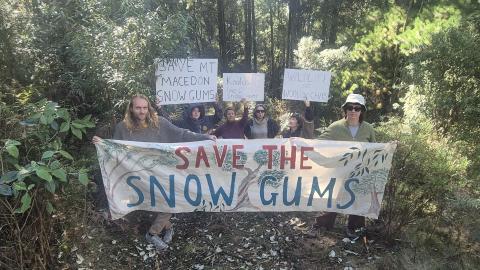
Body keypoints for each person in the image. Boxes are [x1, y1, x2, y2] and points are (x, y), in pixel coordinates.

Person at [93, 94, 215, 251]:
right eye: (138, 108)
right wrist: (101, 144)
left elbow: (182, 133)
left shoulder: (160, 123)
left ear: (148, 108)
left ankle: (152, 233)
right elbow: (115, 151)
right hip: (137, 176)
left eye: (145, 107)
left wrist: (204, 137)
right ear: (131, 108)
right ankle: (168, 226)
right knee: (154, 203)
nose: (142, 111)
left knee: (173, 199)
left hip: (162, 173)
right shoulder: (122, 128)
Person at [313, 93, 376, 238]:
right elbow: (318, 143)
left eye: (357, 108)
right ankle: (323, 224)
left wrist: (388, 148)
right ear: (345, 110)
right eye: (350, 107)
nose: (353, 111)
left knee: (357, 198)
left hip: (359, 172)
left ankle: (354, 228)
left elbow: (374, 148)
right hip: (339, 171)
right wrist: (299, 143)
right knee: (333, 197)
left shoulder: (368, 129)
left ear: (362, 111)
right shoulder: (336, 127)